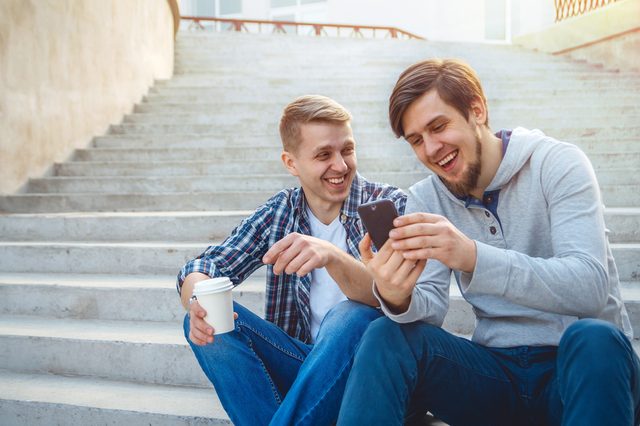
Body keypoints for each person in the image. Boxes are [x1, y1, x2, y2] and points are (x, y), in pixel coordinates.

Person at [337, 59, 640, 426]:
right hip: (496, 375)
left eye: (439, 126)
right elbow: (430, 308)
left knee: (594, 337)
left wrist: (472, 256)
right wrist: (395, 293)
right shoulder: (426, 198)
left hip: (580, 370)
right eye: (416, 140)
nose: (432, 148)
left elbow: (590, 285)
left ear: (477, 110)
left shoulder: (558, 163)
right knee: (386, 334)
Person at [177, 95, 406, 426]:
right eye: (324, 155)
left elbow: (392, 296)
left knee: (353, 314)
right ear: (291, 163)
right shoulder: (280, 213)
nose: (341, 166)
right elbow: (205, 267)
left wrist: (332, 257)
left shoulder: (387, 207)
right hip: (303, 370)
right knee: (207, 320)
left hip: (372, 377)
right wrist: (197, 300)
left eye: (348, 150)